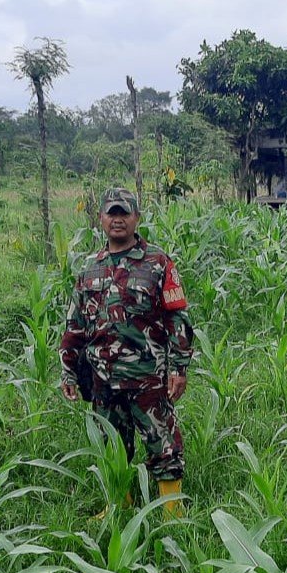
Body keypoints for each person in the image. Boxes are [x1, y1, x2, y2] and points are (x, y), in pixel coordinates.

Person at [59, 187, 193, 517]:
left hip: (149, 377)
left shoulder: (158, 263)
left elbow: (178, 317)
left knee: (162, 443)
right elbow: (75, 324)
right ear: (100, 219)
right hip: (104, 380)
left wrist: (179, 367)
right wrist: (68, 370)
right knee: (111, 447)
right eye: (111, 213)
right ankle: (118, 506)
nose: (117, 219)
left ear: (136, 218)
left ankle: (171, 512)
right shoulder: (89, 269)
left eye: (124, 213)